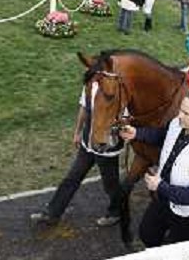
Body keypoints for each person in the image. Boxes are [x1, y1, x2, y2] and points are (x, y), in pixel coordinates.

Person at [119, 92, 189, 248]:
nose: (179, 116)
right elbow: (162, 135)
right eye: (180, 110)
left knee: (174, 251)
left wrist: (161, 186)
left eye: (186, 113)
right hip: (162, 200)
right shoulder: (176, 123)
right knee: (147, 234)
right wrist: (137, 133)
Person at [30, 86, 124, 228]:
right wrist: (78, 131)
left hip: (106, 147)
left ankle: (116, 212)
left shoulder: (118, 87)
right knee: (72, 177)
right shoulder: (90, 84)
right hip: (88, 143)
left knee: (110, 183)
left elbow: (125, 117)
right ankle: (52, 213)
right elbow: (84, 107)